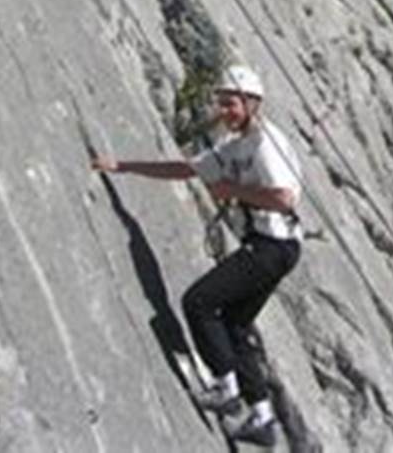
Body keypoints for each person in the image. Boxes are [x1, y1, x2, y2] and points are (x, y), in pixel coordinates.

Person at [91, 64, 303, 448]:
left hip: (272, 245)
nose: (225, 111)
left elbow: (286, 197)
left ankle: (225, 389)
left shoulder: (264, 143)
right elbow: (186, 169)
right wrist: (122, 167)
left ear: (253, 104)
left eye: (233, 104)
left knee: (199, 302)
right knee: (236, 327)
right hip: (280, 247)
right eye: (222, 103)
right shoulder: (236, 145)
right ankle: (263, 418)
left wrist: (234, 191)